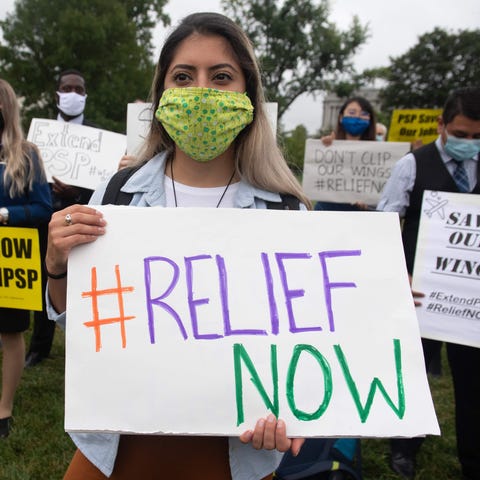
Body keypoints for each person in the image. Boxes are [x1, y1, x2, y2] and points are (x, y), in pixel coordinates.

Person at [45, 12, 308, 479]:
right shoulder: (119, 192)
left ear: (248, 93)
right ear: (162, 94)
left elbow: (306, 341)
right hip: (118, 446)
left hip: (234, 454)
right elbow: (82, 326)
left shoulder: (285, 211)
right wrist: (58, 265)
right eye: (183, 76)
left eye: (221, 77)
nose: (201, 91)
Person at [377, 86, 480, 480]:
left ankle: (472, 458)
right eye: (460, 134)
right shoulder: (412, 165)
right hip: (419, 295)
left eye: (476, 137)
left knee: (473, 383)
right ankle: (404, 448)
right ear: (442, 125)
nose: (468, 143)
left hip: (470, 302)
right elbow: (386, 222)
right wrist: (396, 269)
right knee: (413, 375)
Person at [25, 69, 97, 367]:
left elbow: (98, 182)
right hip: (43, 217)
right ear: (57, 93)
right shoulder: (37, 137)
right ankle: (39, 346)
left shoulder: (96, 137)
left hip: (79, 216)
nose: (72, 93)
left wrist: (75, 191)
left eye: (78, 89)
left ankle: (83, 349)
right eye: (66, 88)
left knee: (82, 281)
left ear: (84, 95)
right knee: (46, 275)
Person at [0, 78, 53, 437]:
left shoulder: (27, 154)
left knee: (10, 332)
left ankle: (4, 407)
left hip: (12, 257)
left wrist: (5, 216)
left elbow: (43, 208)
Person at [315, 97, 377, 211]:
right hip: (327, 212)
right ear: (341, 117)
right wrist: (323, 150)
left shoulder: (378, 155)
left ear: (370, 120)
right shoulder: (328, 145)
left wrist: (369, 201)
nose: (357, 117)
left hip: (361, 216)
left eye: (363, 113)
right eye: (352, 112)